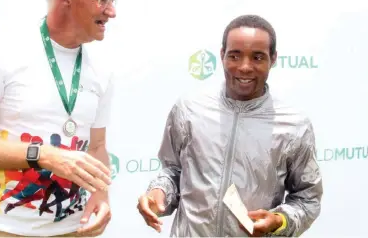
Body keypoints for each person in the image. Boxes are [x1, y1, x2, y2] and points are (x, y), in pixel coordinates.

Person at [0, 0, 117, 237]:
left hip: (75, 229)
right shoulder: (2, 50)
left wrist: (101, 194)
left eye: (112, 0)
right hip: (0, 228)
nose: (111, 11)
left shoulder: (102, 67)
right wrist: (44, 155)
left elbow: (97, 146)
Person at [137, 14, 323, 237]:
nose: (245, 67)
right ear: (222, 55)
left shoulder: (294, 126)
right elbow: (173, 172)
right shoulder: (189, 109)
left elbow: (308, 198)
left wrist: (280, 220)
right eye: (235, 56)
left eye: (257, 57)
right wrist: (159, 193)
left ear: (273, 59)